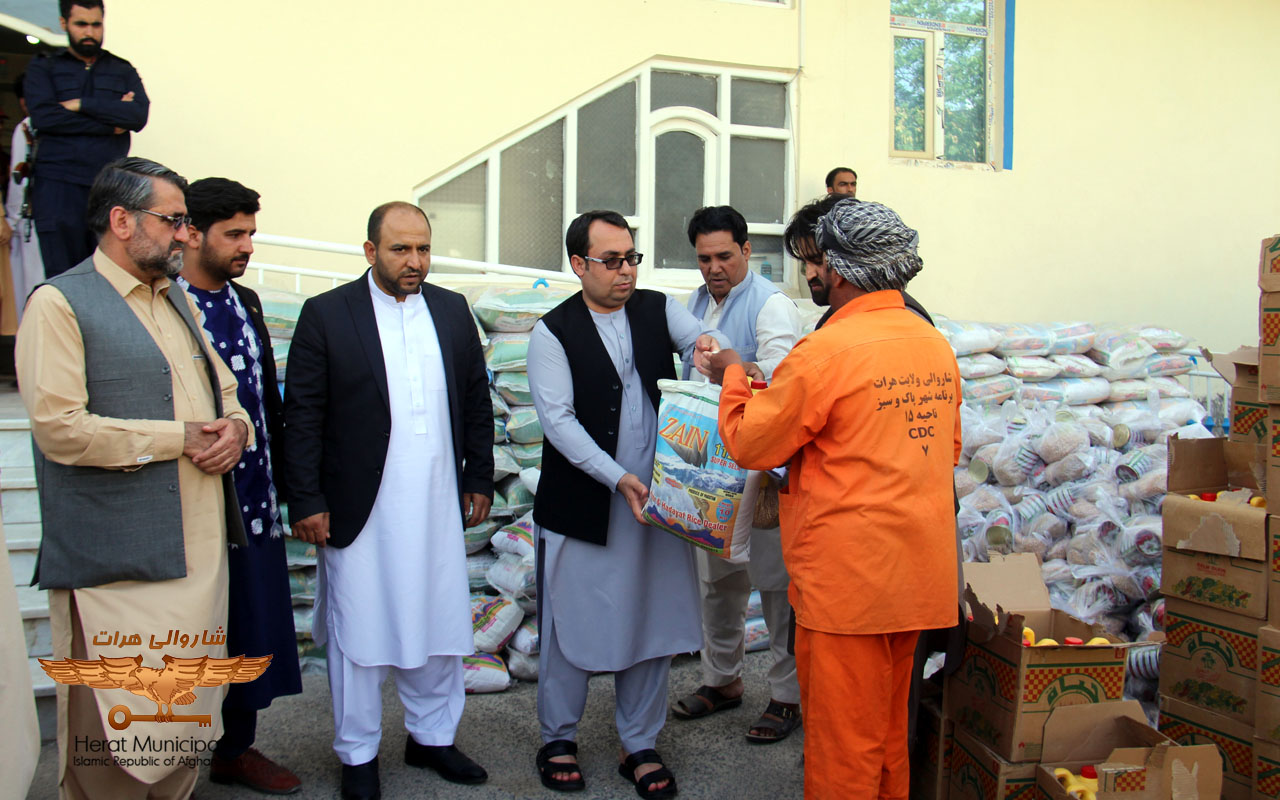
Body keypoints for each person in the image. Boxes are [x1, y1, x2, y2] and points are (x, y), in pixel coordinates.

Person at [695, 198, 961, 798]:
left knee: (844, 750)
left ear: (839, 269)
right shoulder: (932, 345)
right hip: (918, 576)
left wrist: (735, 375)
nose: (809, 275)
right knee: (890, 736)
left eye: (816, 264)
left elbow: (751, 442)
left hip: (849, 587)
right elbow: (943, 450)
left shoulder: (826, 352)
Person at [16, 156, 252, 800]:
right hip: (115, 570)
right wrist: (178, 439)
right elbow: (60, 428)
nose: (185, 235)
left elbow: (225, 394)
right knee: (110, 745)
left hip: (198, 560)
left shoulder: (177, 298)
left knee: (181, 727)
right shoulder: (60, 304)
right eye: (173, 220)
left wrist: (237, 429)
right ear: (121, 221)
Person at [283, 201, 493, 800]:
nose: (415, 262)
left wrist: (477, 476)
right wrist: (306, 498)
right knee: (361, 626)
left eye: (423, 249)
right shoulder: (327, 313)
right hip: (359, 505)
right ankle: (358, 754)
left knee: (438, 618)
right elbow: (303, 414)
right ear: (370, 251)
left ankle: (431, 738)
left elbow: (476, 400)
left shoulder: (451, 311)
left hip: (435, 502)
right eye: (401, 249)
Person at [527, 209, 722, 798]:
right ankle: (557, 736)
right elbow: (558, 423)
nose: (626, 270)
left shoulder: (658, 308)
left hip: (658, 499)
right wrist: (617, 478)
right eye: (611, 261)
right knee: (570, 620)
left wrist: (716, 353)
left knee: (652, 617)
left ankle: (638, 742)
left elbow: (704, 344)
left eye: (632, 257)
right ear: (579, 264)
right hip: (588, 499)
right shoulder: (551, 332)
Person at [177, 177, 303, 795]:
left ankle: (236, 750)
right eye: (234, 234)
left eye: (251, 232)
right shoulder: (164, 301)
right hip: (190, 500)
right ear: (191, 233)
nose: (246, 245)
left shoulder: (245, 301)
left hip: (252, 500)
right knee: (191, 631)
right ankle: (165, 756)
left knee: (249, 626)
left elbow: (265, 398)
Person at [668, 205, 803, 743]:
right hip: (708, 467)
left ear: (748, 252)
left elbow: (787, 374)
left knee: (775, 587)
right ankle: (721, 681)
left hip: (762, 472)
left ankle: (787, 697)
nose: (714, 267)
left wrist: (736, 369)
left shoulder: (772, 306)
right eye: (704, 258)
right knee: (717, 585)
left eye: (724, 255)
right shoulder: (697, 303)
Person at [25, 0, 149, 278]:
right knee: (63, 277)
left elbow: (137, 116)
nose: (89, 32)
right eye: (81, 24)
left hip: (110, 188)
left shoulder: (122, 70)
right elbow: (45, 118)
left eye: (96, 24)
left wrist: (80, 104)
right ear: (64, 24)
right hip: (58, 187)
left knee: (110, 276)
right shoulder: (44, 67)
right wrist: (111, 120)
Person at [7, 72, 45, 318]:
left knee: (31, 292)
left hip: (31, 221)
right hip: (33, 220)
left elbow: (17, 185)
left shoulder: (29, 127)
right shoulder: (29, 127)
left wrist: (11, 221)